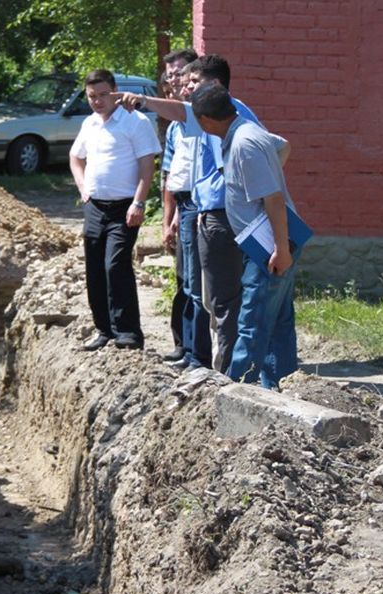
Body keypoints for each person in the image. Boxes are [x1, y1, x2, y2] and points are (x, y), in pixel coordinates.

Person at [118, 55, 275, 373]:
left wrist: (143, 100)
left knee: (224, 298)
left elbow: (275, 155)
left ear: (215, 84)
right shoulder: (213, 116)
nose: (186, 87)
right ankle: (216, 361)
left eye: (193, 81)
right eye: (183, 81)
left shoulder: (229, 113)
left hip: (224, 215)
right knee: (209, 294)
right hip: (206, 210)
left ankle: (226, 368)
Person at [190, 82, 297, 389]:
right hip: (268, 241)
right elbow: (282, 146)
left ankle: (238, 391)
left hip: (270, 245)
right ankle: (277, 386)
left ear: (205, 120)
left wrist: (280, 248)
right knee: (277, 319)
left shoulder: (244, 144)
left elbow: (273, 199)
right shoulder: (247, 132)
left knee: (253, 320)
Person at [69, 69, 161, 351]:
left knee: (116, 264)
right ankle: (104, 329)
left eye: (102, 95)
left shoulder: (135, 121)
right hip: (95, 206)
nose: (97, 101)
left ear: (115, 91)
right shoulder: (89, 124)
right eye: (91, 96)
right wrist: (83, 187)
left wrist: (139, 202)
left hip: (125, 207)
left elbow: (147, 166)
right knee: (95, 267)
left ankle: (128, 333)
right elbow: (75, 157)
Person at [160, 48, 197, 363]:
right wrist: (168, 219)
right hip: (183, 207)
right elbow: (170, 177)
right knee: (184, 278)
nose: (175, 80)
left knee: (199, 282)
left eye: (180, 73)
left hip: (203, 207)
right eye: (171, 75)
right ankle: (184, 345)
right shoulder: (174, 128)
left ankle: (199, 352)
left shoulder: (201, 117)